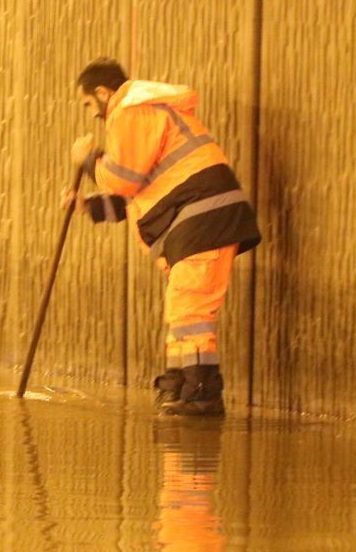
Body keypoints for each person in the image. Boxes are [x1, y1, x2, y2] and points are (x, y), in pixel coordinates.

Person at [69, 58, 260, 416]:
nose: (90, 113)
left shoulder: (130, 110)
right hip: (194, 216)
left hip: (201, 216)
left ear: (101, 92)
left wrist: (88, 159)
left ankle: (201, 392)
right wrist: (89, 207)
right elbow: (140, 195)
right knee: (182, 309)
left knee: (191, 308)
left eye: (87, 104)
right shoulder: (139, 114)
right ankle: (180, 386)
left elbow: (122, 178)